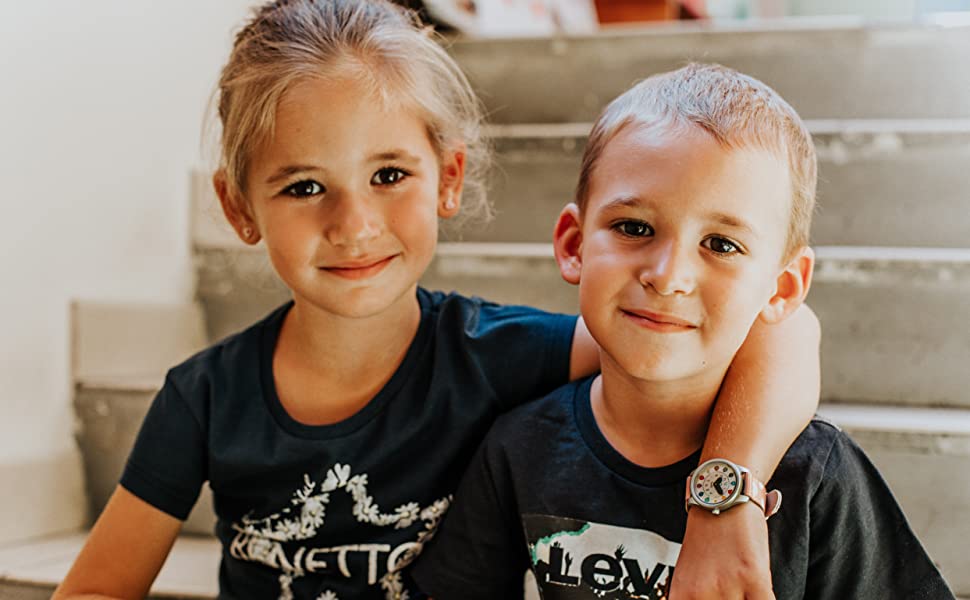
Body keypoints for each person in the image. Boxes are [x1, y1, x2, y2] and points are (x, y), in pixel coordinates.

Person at [52, 3, 822, 598]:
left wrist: (727, 497)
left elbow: (780, 331)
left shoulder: (507, 355)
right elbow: (95, 586)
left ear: (449, 178)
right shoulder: (205, 397)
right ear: (239, 207)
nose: (353, 225)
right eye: (304, 186)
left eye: (390, 174)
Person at [411, 63, 955, 600]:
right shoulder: (519, 446)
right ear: (574, 245)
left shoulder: (815, 474)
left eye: (721, 244)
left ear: (783, 288)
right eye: (634, 228)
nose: (668, 276)